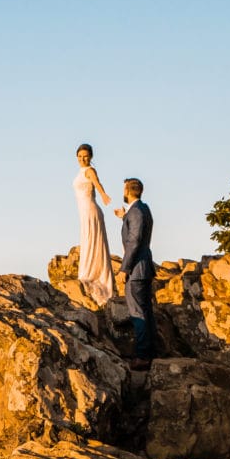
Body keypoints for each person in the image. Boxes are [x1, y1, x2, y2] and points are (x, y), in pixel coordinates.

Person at [115, 177, 155, 369]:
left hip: (137, 269)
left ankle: (142, 356)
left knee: (137, 312)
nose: (123, 192)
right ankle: (150, 352)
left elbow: (134, 241)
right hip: (145, 267)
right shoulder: (142, 209)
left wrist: (124, 269)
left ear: (128, 191)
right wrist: (124, 217)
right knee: (146, 310)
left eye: (124, 189)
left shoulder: (136, 212)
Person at [73, 143, 115, 305]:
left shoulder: (90, 170)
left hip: (90, 209)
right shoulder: (80, 171)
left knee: (93, 242)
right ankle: (88, 273)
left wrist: (104, 194)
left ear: (90, 157)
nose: (82, 159)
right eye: (80, 156)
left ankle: (94, 277)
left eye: (85, 156)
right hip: (83, 211)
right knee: (87, 241)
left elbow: (97, 183)